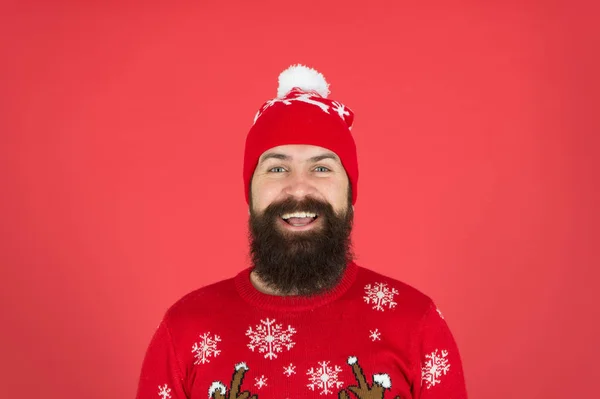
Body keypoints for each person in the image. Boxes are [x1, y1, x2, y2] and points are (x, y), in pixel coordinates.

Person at [135, 65, 468, 399]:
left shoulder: (414, 323)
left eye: (321, 168)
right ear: (250, 196)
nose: (298, 189)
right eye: (277, 168)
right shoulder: (185, 330)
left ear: (350, 195)